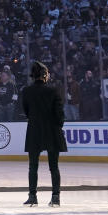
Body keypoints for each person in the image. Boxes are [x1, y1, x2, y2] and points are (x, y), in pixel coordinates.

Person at [21, 61, 66, 207]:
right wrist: (58, 126)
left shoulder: (27, 91)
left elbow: (27, 112)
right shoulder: (53, 91)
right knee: (54, 167)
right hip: (52, 131)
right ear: (45, 75)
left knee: (32, 166)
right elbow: (60, 114)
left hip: (35, 131)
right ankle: (55, 197)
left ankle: (32, 196)